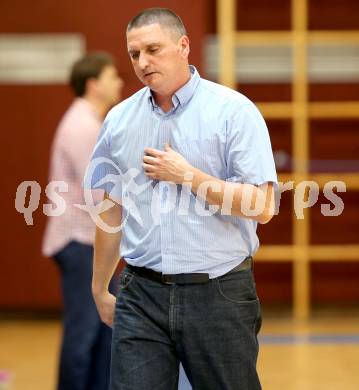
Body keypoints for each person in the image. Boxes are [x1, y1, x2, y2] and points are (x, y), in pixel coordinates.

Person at [85, 8, 277, 390]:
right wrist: (99, 286)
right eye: (134, 54)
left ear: (184, 46)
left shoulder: (233, 112)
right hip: (140, 293)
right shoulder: (119, 120)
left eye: (153, 49)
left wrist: (186, 175)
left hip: (219, 293)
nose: (143, 62)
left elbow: (263, 206)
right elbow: (111, 206)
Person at [42, 51, 123, 390]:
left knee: (105, 331)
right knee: (84, 332)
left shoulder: (90, 121)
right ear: (93, 84)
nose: (119, 82)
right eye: (112, 76)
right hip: (79, 244)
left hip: (91, 242)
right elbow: (100, 194)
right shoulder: (83, 126)